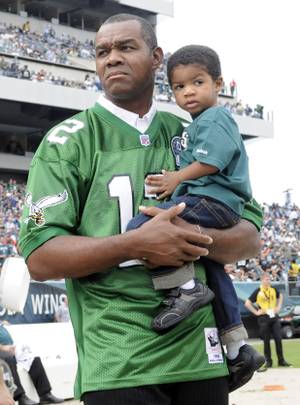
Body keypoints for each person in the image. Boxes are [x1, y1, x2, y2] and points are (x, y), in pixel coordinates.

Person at [19, 14, 262, 405]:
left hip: (201, 355)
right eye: (102, 52)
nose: (112, 58)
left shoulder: (193, 132)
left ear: (156, 58)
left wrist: (188, 238)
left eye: (126, 47)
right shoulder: (64, 143)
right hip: (119, 356)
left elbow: (249, 238)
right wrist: (136, 244)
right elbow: (39, 256)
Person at [0, 323, 63, 405]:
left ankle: (45, 394)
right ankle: (20, 397)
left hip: (9, 349)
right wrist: (4, 348)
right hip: (3, 351)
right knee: (9, 359)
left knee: (33, 358)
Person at [244, 273, 291, 370]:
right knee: (266, 341)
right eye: (266, 279)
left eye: (269, 279)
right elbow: (247, 303)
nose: (268, 281)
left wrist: (278, 306)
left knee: (278, 338)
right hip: (264, 318)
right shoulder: (258, 291)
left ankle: (281, 360)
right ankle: (268, 361)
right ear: (262, 280)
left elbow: (280, 296)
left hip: (274, 317)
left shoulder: (273, 290)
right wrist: (256, 312)